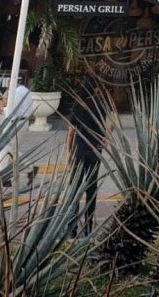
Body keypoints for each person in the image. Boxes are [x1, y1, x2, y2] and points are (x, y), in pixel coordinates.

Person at [65, 74, 110, 236]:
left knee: (75, 189)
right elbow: (112, 122)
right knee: (91, 188)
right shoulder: (100, 105)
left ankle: (71, 228)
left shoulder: (78, 105)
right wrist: (106, 138)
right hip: (95, 150)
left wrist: (69, 151)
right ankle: (88, 226)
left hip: (80, 149)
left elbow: (71, 132)